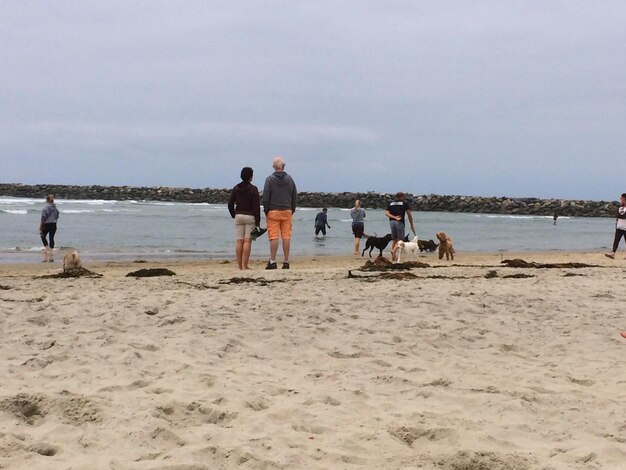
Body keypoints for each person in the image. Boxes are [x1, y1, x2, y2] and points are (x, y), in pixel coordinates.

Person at [262, 156, 297, 269]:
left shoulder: (269, 180)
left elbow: (266, 197)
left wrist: (266, 210)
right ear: (283, 166)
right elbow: (294, 195)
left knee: (274, 237)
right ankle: (286, 261)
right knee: (286, 236)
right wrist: (292, 209)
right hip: (286, 210)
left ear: (273, 167)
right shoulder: (290, 179)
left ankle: (273, 261)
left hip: (273, 211)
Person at [228, 167, 261, 270]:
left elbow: (230, 204)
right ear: (251, 177)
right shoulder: (253, 189)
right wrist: (258, 222)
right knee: (247, 241)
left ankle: (239, 265)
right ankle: (245, 265)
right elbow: (256, 207)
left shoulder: (236, 188)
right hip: (250, 216)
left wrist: (234, 214)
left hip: (239, 215)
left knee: (239, 241)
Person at [384, 192, 415, 263]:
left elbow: (386, 213)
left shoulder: (391, 204)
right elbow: (409, 214)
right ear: (402, 197)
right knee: (400, 240)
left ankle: (393, 257)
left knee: (394, 239)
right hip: (399, 223)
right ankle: (393, 251)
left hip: (391, 222)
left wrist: (394, 217)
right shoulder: (404, 204)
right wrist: (411, 225)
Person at [39, 194, 60, 262]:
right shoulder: (55, 208)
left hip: (47, 224)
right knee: (51, 237)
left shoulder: (46, 208)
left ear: (47, 200)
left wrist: (41, 225)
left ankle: (47, 249)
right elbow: (57, 216)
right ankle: (50, 251)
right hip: (54, 224)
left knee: (42, 235)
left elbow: (43, 218)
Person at [605, 193, 626, 259]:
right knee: (616, 240)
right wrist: (617, 222)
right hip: (619, 226)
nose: (620, 199)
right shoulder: (620, 207)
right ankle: (613, 253)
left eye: (621, 198)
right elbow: (618, 216)